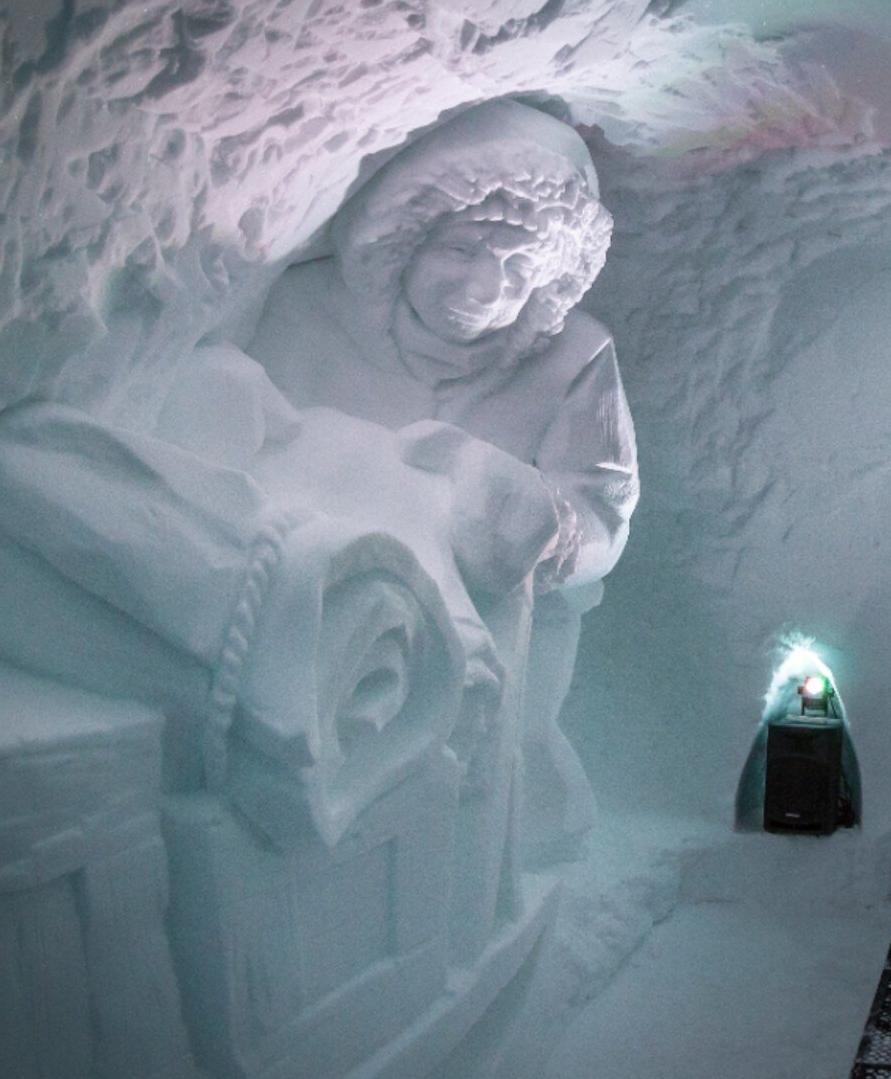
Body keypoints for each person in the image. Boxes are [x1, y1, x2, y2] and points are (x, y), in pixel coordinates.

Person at [248, 98, 638, 854]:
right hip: (319, 606)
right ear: (406, 241)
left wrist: (546, 528)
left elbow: (604, 512)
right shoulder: (304, 312)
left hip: (493, 620)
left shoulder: (576, 356)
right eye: (462, 249)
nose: (484, 287)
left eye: (520, 264)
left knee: (474, 772)